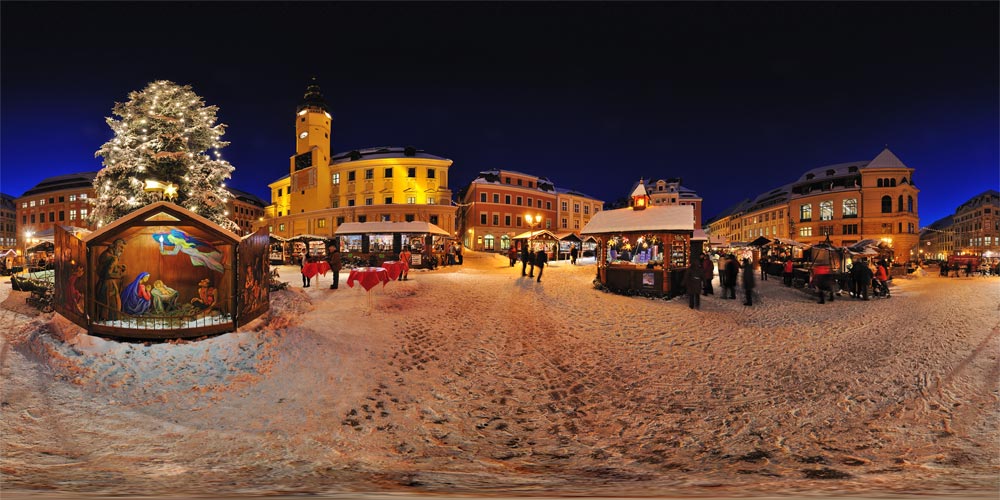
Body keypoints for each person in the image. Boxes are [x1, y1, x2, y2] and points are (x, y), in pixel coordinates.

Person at [96, 238, 127, 321]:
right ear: (115, 246)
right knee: (113, 303)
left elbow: (106, 267)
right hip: (108, 285)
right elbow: (107, 274)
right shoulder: (113, 258)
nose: (122, 250)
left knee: (108, 303)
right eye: (121, 247)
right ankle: (110, 320)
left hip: (102, 283)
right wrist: (120, 275)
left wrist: (118, 266)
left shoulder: (106, 254)